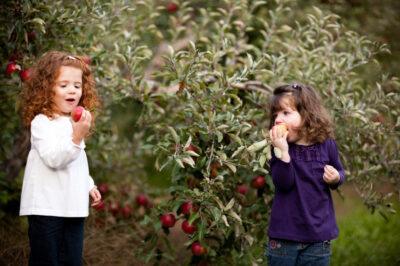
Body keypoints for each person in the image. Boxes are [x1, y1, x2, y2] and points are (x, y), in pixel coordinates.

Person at [19, 51, 102, 266]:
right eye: (63, 85)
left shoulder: (72, 122)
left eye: (77, 85)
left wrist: (88, 184)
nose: (72, 90)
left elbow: (76, 163)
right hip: (46, 208)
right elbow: (54, 159)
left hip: (72, 207)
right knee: (46, 260)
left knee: (72, 260)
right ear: (47, 89)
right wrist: (77, 136)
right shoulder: (42, 122)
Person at [266, 83, 345, 266]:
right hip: (284, 238)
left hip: (318, 238)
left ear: (307, 115)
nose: (278, 119)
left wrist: (336, 178)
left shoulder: (327, 145)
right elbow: (283, 183)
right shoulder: (279, 148)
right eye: (275, 114)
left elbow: (340, 172)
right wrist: (283, 152)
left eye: (285, 113)